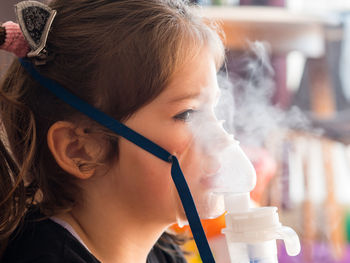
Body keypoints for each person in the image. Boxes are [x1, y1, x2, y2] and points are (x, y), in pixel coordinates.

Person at [0, 0, 225, 262]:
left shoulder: (163, 253)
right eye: (187, 114)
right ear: (79, 149)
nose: (220, 140)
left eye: (213, 108)